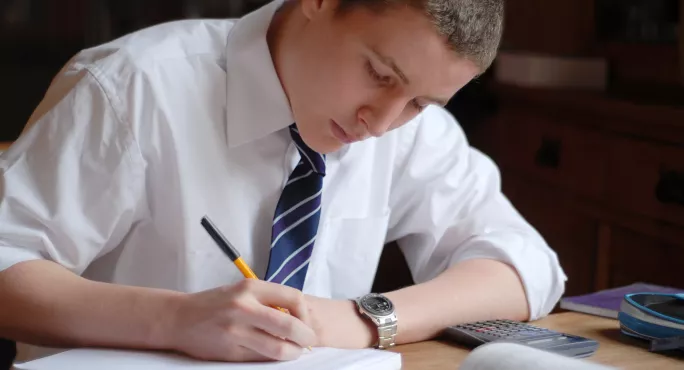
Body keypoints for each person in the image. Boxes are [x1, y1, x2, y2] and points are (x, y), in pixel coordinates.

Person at [0, 0, 567, 364]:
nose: (382, 123)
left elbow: (524, 267)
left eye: (419, 101)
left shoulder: (409, 134)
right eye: (378, 73)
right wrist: (173, 319)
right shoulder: (133, 87)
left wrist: (361, 319)